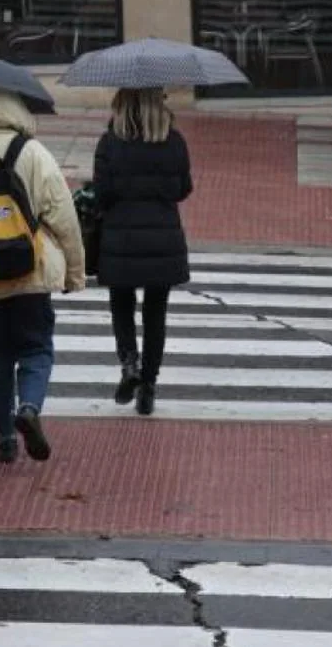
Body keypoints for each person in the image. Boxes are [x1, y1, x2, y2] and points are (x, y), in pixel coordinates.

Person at [0, 85, 86, 463]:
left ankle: (4, 438)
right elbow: (63, 215)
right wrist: (75, 272)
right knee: (36, 347)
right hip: (32, 273)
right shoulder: (32, 152)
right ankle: (29, 406)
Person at [93, 88, 193, 416]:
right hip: (162, 238)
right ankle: (149, 384)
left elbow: (102, 193)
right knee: (156, 310)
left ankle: (129, 363)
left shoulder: (110, 143)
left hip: (120, 238)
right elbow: (182, 189)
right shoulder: (174, 141)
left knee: (121, 303)